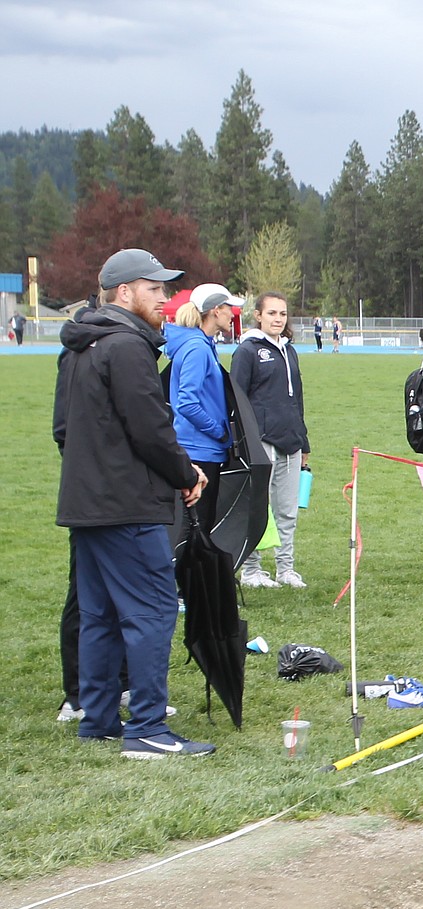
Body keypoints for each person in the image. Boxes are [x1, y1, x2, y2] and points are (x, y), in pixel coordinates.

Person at [54, 247, 214, 758]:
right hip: (127, 505)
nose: (165, 300)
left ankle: (98, 719)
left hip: (87, 504)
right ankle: (146, 727)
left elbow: (63, 429)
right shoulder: (126, 347)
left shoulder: (81, 345)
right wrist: (183, 472)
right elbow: (151, 428)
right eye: (155, 289)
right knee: (153, 609)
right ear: (124, 292)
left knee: (99, 613)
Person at [231, 293, 310, 588]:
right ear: (258, 315)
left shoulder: (289, 352)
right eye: (272, 313)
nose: (278, 319)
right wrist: (244, 440)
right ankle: (251, 569)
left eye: (283, 314)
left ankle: (285, 568)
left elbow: (297, 400)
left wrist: (304, 441)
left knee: (287, 510)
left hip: (291, 441)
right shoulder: (248, 351)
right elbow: (237, 398)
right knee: (257, 507)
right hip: (260, 442)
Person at [164, 283, 244, 534]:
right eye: (229, 308)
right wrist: (219, 432)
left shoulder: (203, 345)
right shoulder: (197, 348)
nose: (232, 314)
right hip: (199, 449)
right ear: (215, 311)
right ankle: (187, 573)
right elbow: (187, 403)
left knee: (199, 525)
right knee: (195, 527)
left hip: (203, 447)